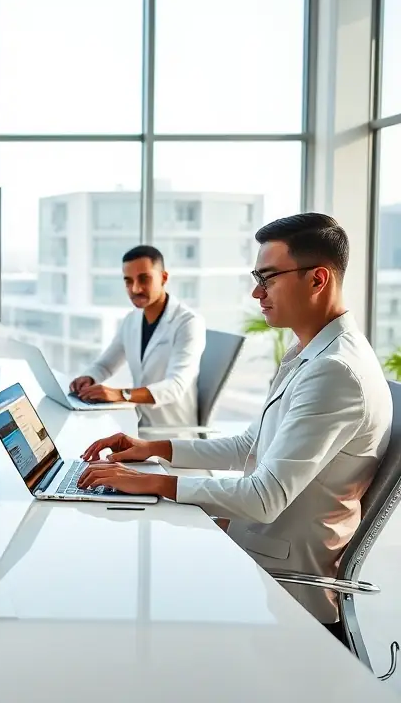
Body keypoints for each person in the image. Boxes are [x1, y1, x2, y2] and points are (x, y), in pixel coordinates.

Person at [78, 213, 392, 640]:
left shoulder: (336, 371)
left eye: (268, 277)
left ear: (318, 279)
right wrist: (155, 449)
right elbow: (251, 443)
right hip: (256, 546)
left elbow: (264, 499)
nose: (256, 291)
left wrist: (152, 484)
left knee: (116, 587)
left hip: (279, 583)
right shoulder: (312, 351)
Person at [69, 245, 205, 427]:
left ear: (164, 277)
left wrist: (120, 394)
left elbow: (175, 386)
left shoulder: (188, 322)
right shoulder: (131, 320)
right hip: (135, 424)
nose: (135, 288)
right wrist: (89, 377)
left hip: (171, 433)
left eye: (144, 279)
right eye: (128, 281)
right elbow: (105, 365)